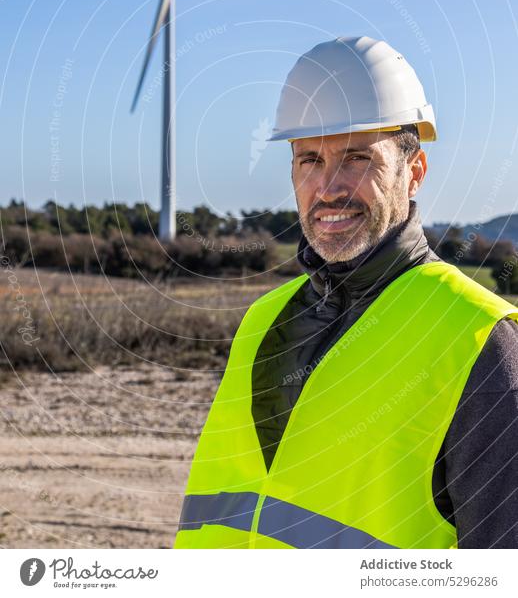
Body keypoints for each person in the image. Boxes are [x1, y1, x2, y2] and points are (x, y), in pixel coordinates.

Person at [174, 36, 518, 549]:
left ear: (414, 172)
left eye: (357, 158)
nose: (329, 187)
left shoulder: (479, 338)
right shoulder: (262, 320)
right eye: (309, 160)